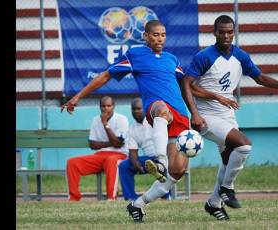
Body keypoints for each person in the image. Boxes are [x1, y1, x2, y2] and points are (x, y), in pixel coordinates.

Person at [182, 15, 278, 220]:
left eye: (229, 32)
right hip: (206, 116)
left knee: (227, 159)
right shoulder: (204, 56)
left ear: (234, 32)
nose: (226, 35)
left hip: (228, 115)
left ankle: (214, 204)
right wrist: (195, 114)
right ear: (214, 33)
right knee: (244, 145)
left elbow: (259, 78)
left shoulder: (240, 56)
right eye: (221, 32)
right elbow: (186, 83)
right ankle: (227, 188)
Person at [61, 20, 190, 222]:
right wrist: (78, 96)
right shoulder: (135, 55)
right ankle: (160, 161)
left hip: (181, 115)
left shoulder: (171, 59)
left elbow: (186, 86)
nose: (160, 38)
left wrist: (196, 113)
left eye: (163, 34)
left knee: (178, 171)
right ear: (146, 36)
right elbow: (105, 76)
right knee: (162, 113)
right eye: (155, 34)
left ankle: (138, 204)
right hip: (156, 107)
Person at [66, 96, 129, 201]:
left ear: (113, 106)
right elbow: (92, 144)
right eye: (103, 106)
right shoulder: (96, 120)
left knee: (111, 161)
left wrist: (105, 124)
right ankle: (73, 198)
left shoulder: (122, 119)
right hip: (100, 156)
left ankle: (111, 198)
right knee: (72, 163)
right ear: (99, 107)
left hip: (119, 155)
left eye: (109, 106)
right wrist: (111, 143)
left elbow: (118, 144)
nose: (106, 108)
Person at [118, 98, 170, 201]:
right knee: (124, 166)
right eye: (133, 109)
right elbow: (133, 151)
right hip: (148, 161)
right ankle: (130, 197)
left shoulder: (154, 120)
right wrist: (136, 164)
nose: (135, 111)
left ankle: (166, 196)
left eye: (138, 108)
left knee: (166, 163)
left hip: (163, 156)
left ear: (144, 109)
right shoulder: (132, 128)